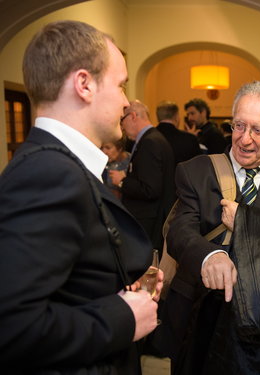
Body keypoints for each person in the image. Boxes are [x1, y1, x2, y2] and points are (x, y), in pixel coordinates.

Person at [0, 20, 163, 374]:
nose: (125, 102)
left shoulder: (63, 166)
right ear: (84, 84)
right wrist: (123, 316)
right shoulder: (48, 174)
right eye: (120, 86)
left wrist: (123, 280)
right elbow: (12, 327)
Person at [162, 81, 260, 374]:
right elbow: (181, 231)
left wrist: (244, 221)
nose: (244, 140)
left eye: (257, 130)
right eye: (238, 126)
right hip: (199, 313)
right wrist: (210, 256)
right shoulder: (195, 170)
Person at [110, 100, 176, 250]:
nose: (122, 126)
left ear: (133, 116)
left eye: (122, 120)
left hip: (148, 221)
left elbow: (150, 189)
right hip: (152, 218)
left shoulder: (150, 142)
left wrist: (122, 181)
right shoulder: (153, 138)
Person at [155, 100, 202, 166]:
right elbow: (199, 166)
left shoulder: (148, 137)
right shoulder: (189, 139)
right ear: (176, 117)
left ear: (158, 118)